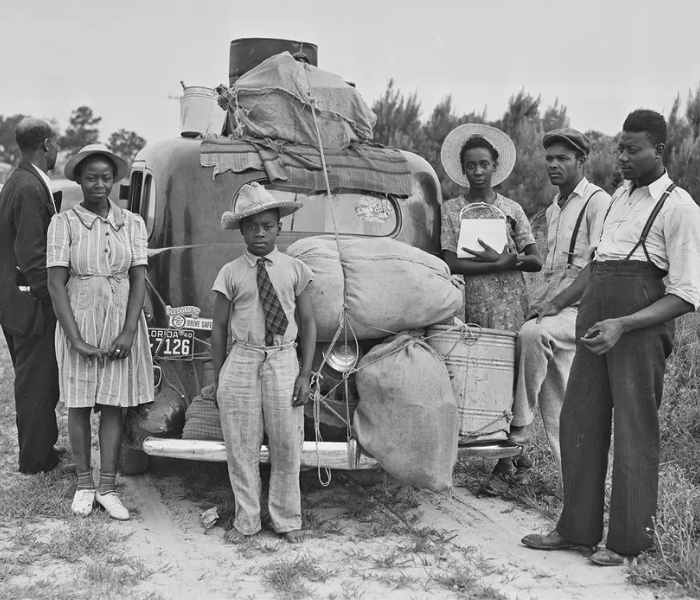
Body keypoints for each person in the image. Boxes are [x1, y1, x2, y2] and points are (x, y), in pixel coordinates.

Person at [522, 109, 700, 566]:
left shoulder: (679, 208)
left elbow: (684, 295)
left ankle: (627, 543)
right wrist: (559, 303)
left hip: (638, 330)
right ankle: (576, 529)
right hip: (596, 323)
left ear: (659, 151)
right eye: (619, 147)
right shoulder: (620, 195)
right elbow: (597, 266)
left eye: (632, 149)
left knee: (635, 430)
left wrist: (624, 323)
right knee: (579, 421)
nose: (620, 157)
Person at [47, 144, 154, 520]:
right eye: (90, 177)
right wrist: (75, 338)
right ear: (78, 179)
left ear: (114, 181)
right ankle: (84, 483)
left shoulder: (133, 223)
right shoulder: (64, 223)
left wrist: (128, 331)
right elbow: (56, 284)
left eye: (105, 178)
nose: (98, 185)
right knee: (78, 403)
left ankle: (107, 487)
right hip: (81, 316)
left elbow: (138, 278)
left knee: (113, 403)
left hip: (120, 320)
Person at [211, 182, 316, 544]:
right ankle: (247, 521)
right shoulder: (231, 272)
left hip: (284, 360)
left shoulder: (295, 269)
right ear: (241, 230)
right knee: (241, 446)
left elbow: (309, 324)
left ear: (279, 228)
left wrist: (304, 373)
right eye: (252, 226)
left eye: (267, 226)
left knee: (288, 443)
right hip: (242, 359)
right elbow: (220, 328)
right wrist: (219, 378)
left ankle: (287, 519)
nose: (260, 233)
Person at [440, 124, 542, 495]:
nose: (478, 171)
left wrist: (508, 260)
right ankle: (476, 443)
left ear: (495, 165)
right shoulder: (452, 210)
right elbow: (451, 262)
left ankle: (509, 459)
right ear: (463, 170)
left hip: (510, 303)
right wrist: (500, 263)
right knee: (474, 371)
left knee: (512, 374)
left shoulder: (511, 209)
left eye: (484, 164)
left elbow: (534, 260)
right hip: (470, 302)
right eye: (471, 166)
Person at [508, 129, 611, 497]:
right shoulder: (555, 207)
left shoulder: (598, 202)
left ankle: (518, 424)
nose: (553, 164)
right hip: (558, 302)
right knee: (560, 405)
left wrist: (554, 304)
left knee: (533, 335)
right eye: (549, 157)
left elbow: (596, 267)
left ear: (582, 162)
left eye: (562, 158)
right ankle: (579, 494)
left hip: (582, 308)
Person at [0, 117, 65, 474]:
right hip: (30, 304)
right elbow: (31, 255)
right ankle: (36, 460)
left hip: (18, 300)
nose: (57, 149)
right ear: (45, 145)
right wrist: (53, 300)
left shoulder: (21, 179)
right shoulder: (27, 186)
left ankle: (41, 450)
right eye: (56, 143)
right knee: (37, 382)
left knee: (34, 379)